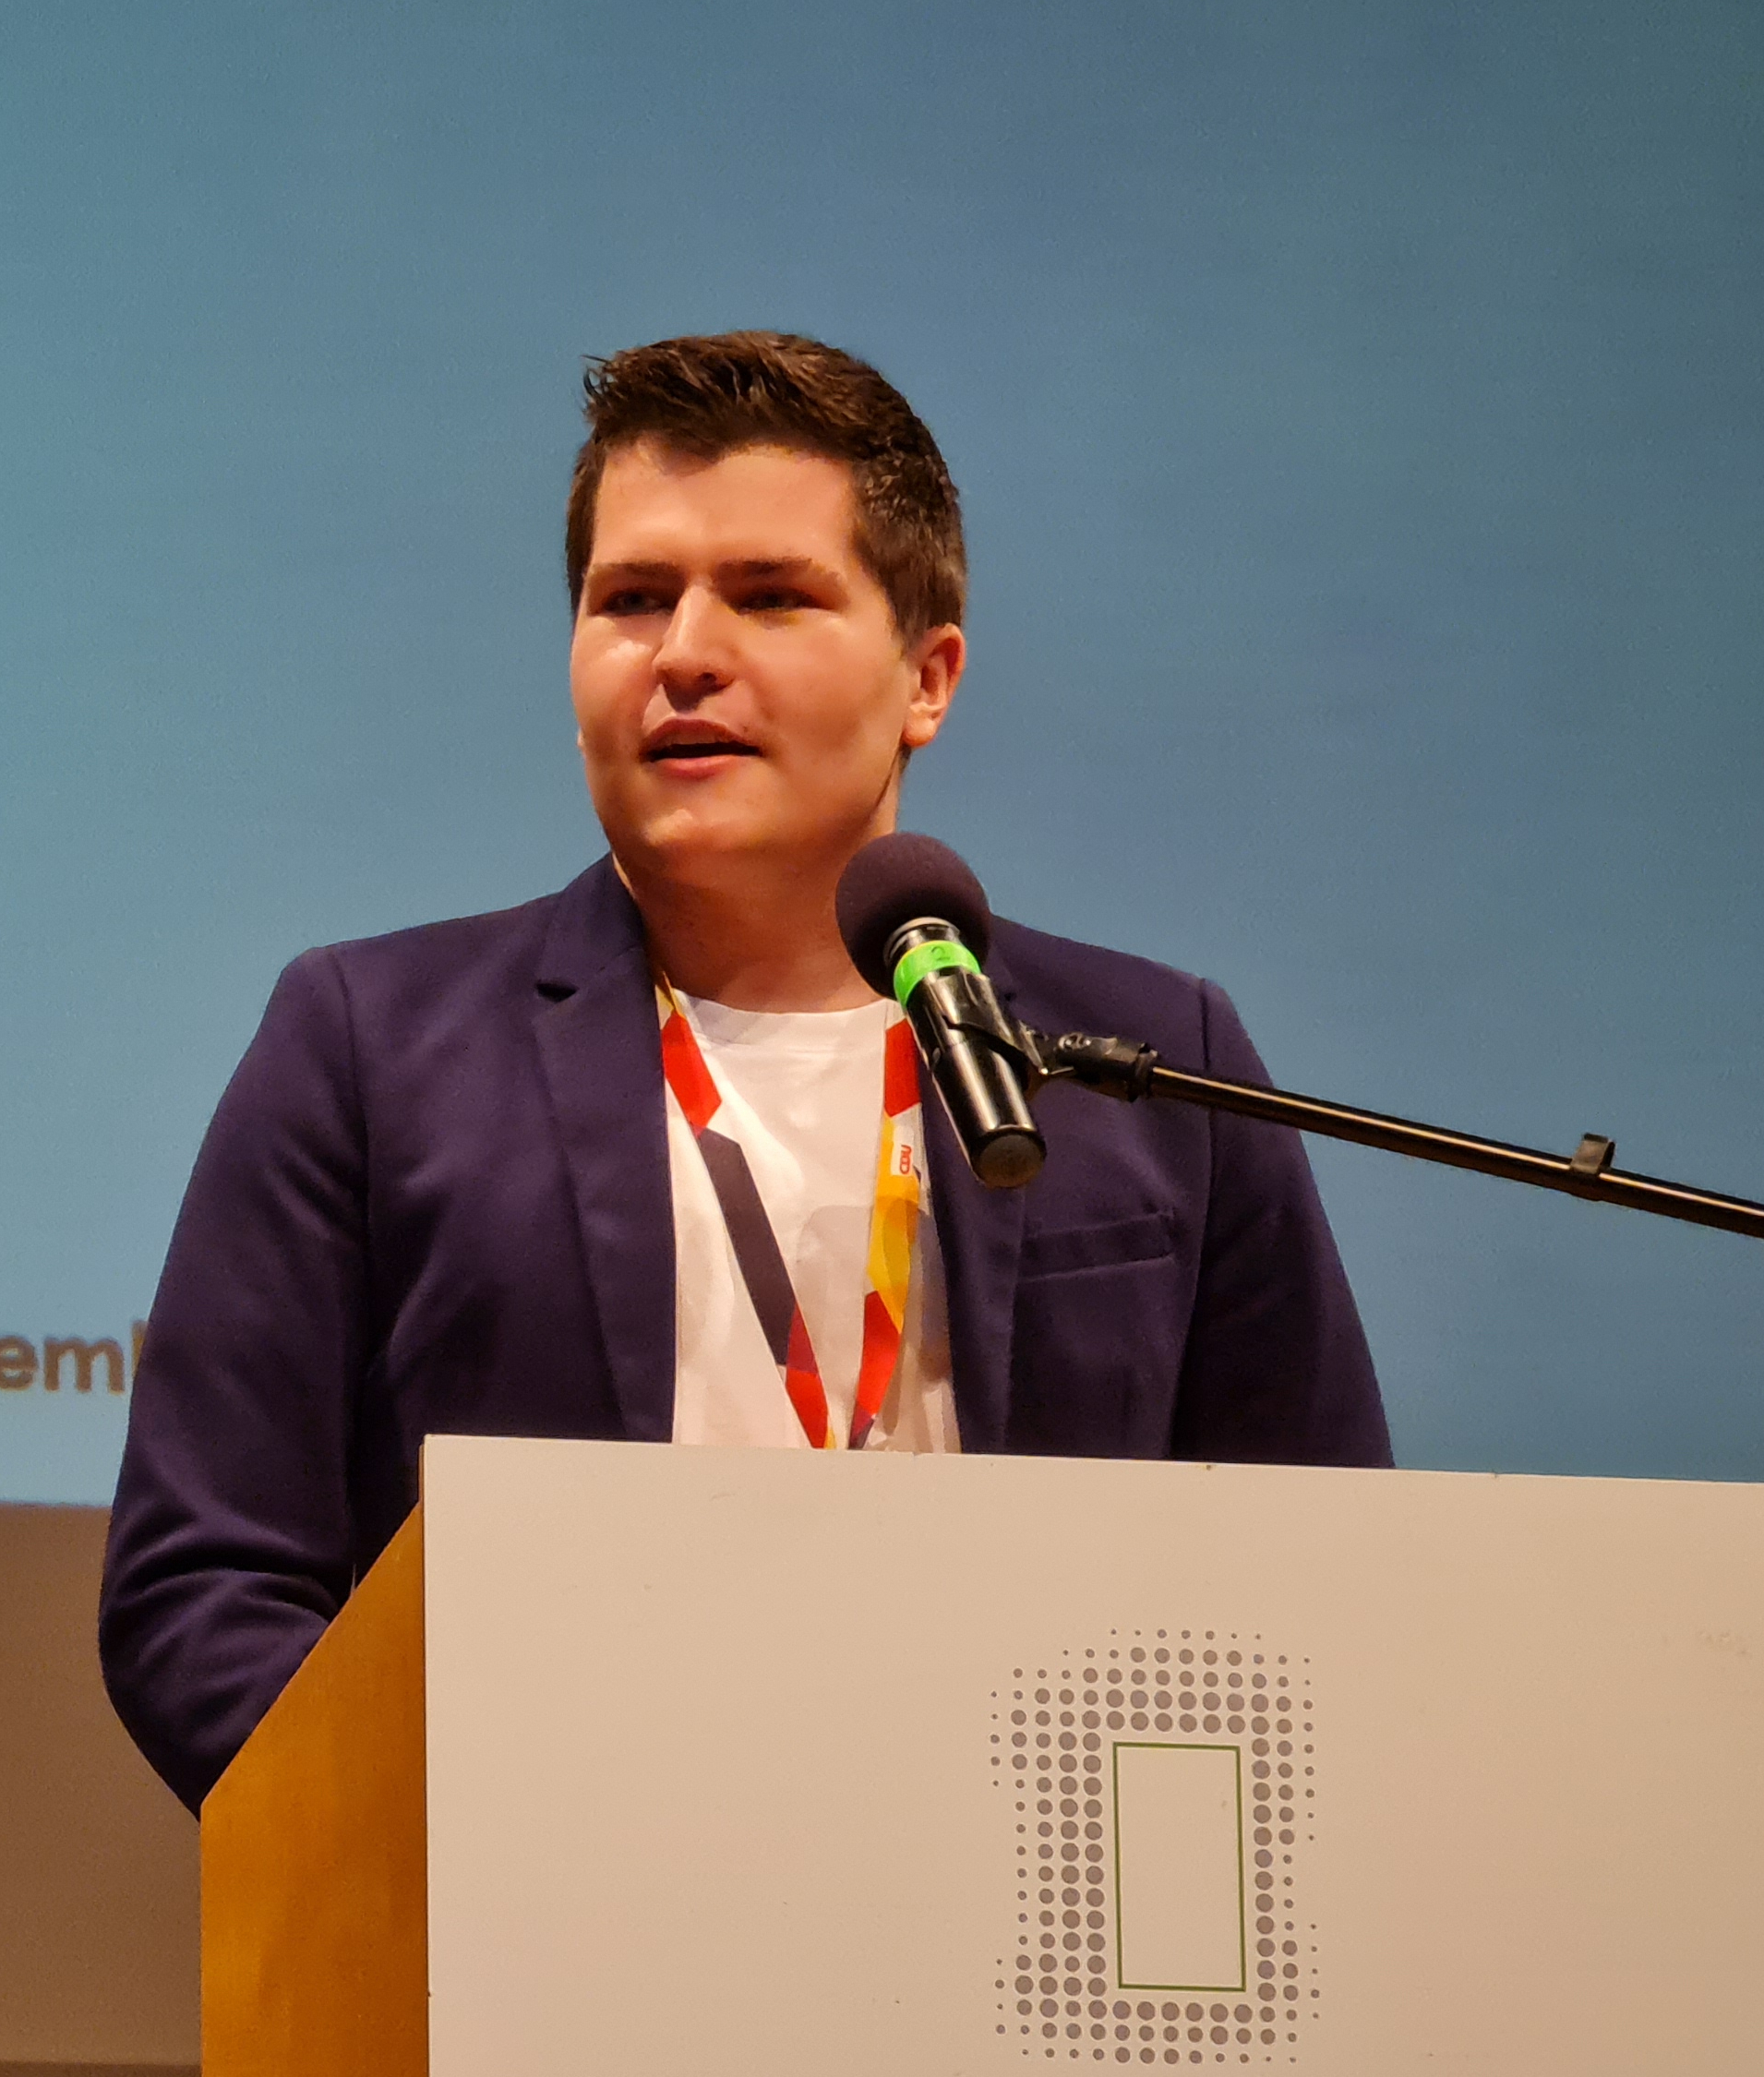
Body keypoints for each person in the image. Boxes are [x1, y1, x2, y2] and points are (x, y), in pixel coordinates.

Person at [97, 330, 1390, 1811]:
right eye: (632, 599)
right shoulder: (370, 1045)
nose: (684, 653)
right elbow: (203, 1586)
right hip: (550, 1899)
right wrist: (483, 1844)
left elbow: (1324, 1570)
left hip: (1031, 1894)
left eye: (771, 595)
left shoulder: (1156, 1069)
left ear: (927, 678)